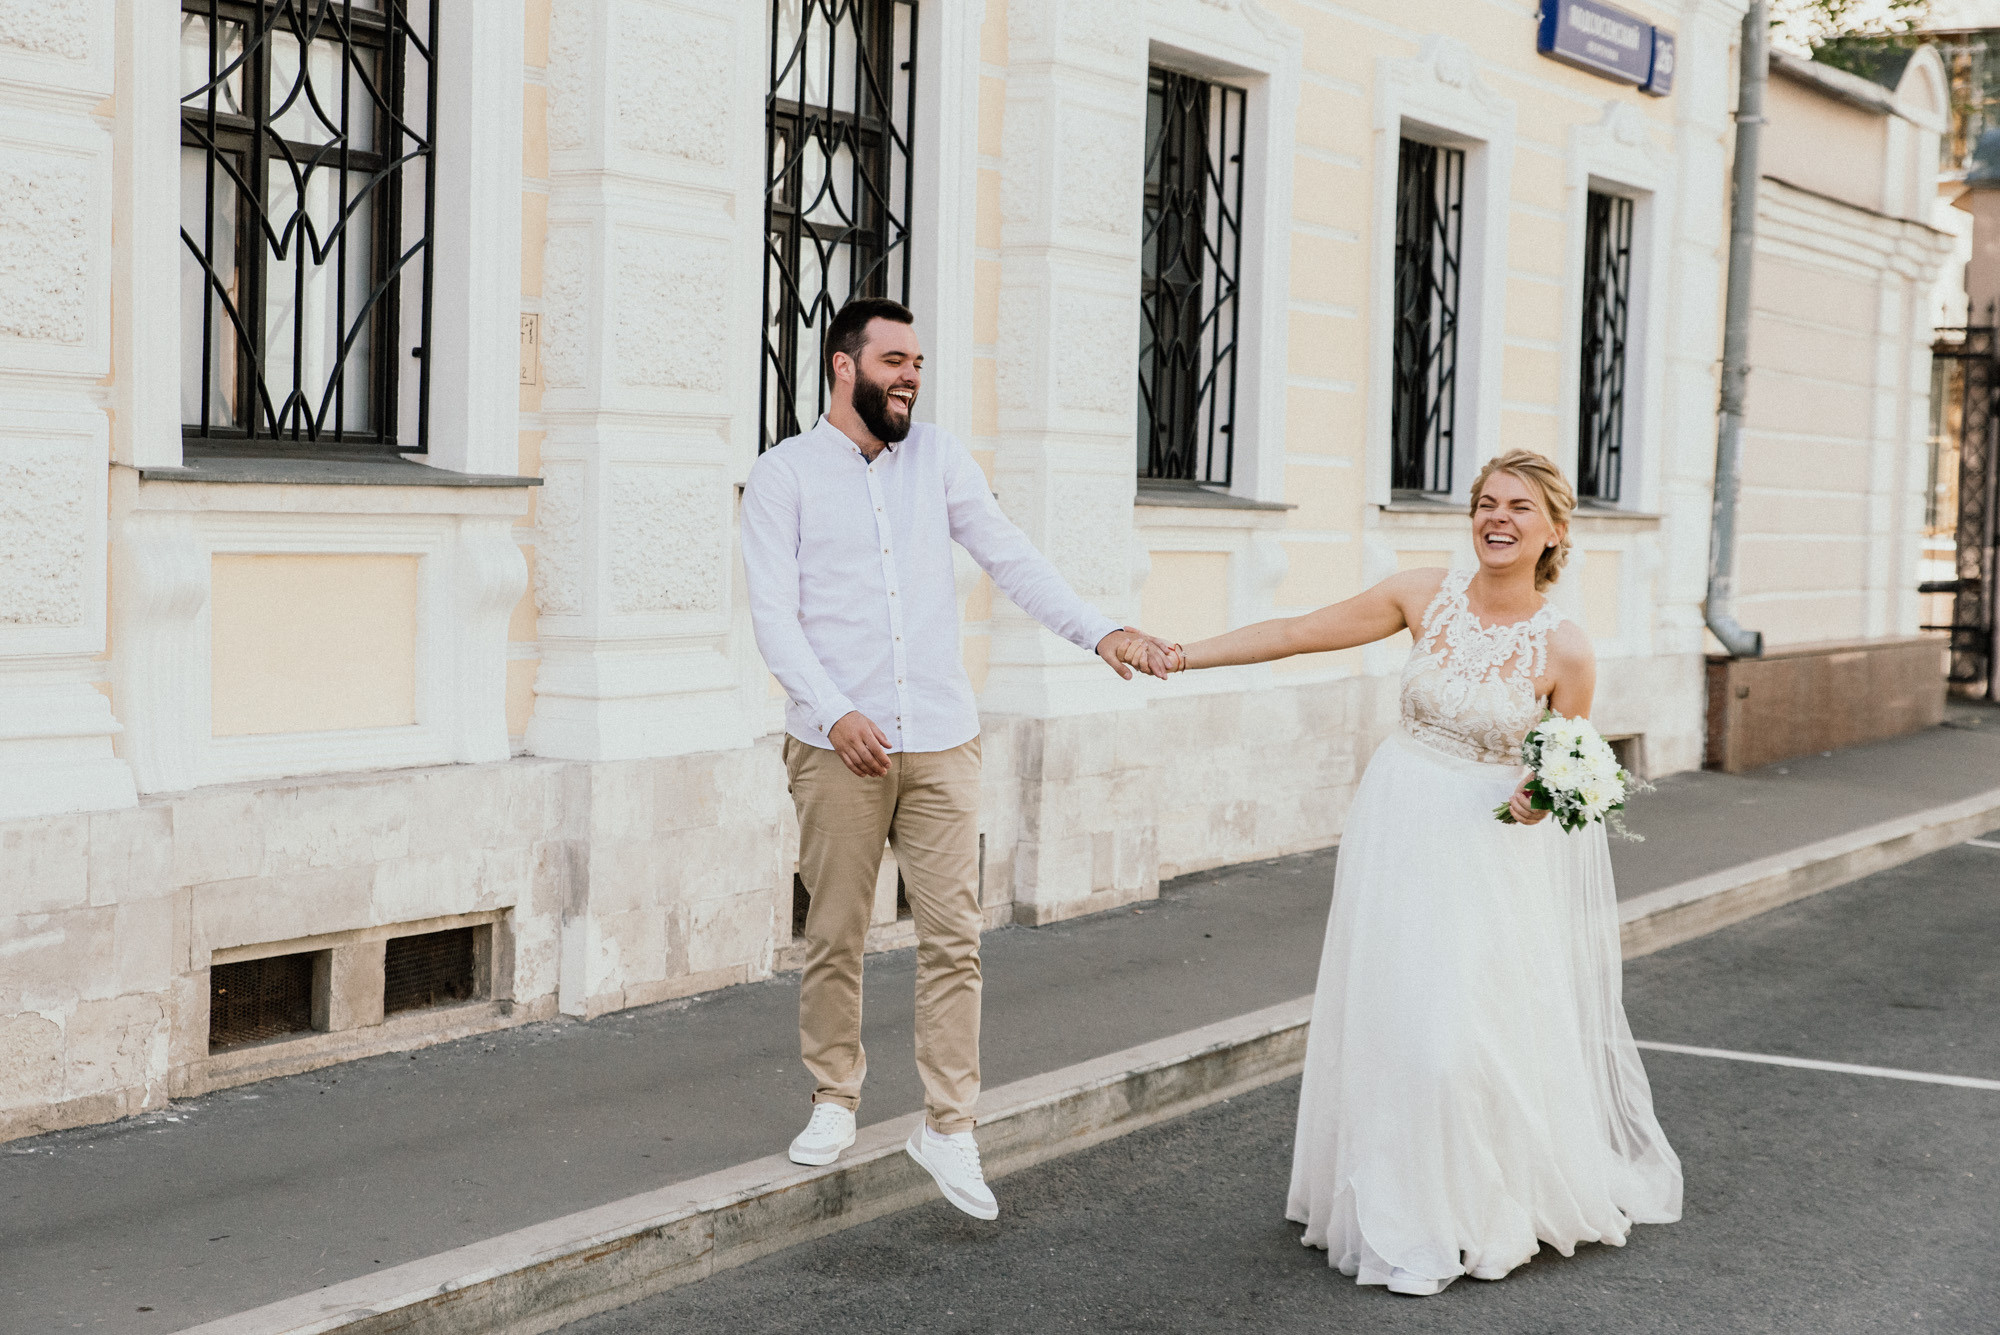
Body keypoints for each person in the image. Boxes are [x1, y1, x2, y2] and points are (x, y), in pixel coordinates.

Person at [1122, 449, 1681, 1295]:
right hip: (1399, 825)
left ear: (1554, 532)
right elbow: (1297, 629)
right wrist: (1183, 653)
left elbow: (1564, 766)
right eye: (1486, 502)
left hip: (1487, 855)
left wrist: (1540, 795)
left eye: (1519, 507)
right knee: (1394, 1018)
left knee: (1458, 1036)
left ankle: (1471, 1205)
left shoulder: (1566, 648)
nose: (1496, 517)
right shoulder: (1424, 594)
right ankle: (1398, 1203)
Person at [740, 297, 1170, 1221]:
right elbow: (773, 615)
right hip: (835, 748)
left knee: (955, 940)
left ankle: (949, 1124)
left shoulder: (938, 459)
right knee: (837, 934)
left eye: (919, 361)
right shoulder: (783, 477)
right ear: (842, 366)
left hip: (941, 737)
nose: (912, 375)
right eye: (895, 359)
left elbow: (1010, 557)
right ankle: (834, 1097)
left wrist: (1101, 631)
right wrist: (834, 708)